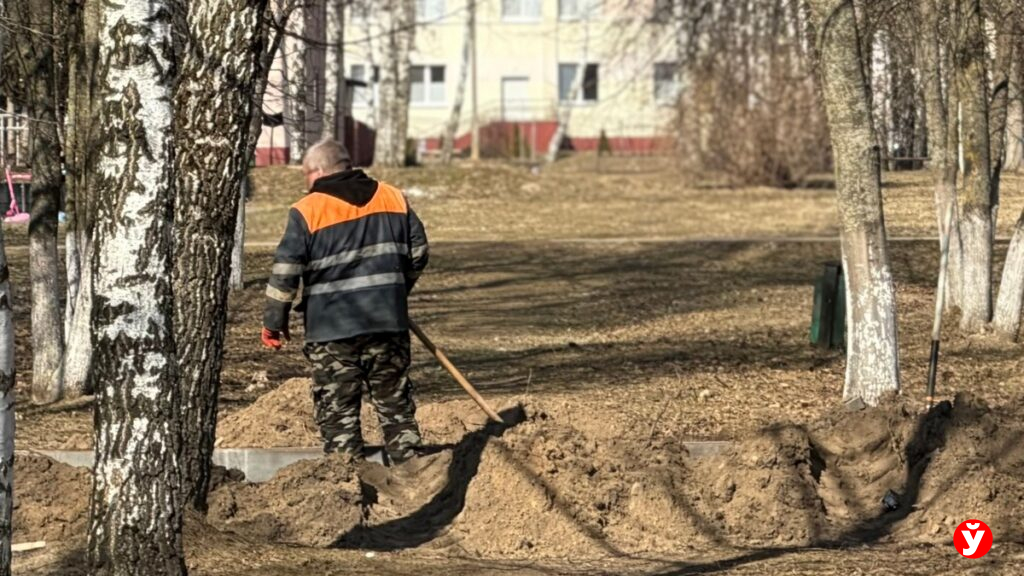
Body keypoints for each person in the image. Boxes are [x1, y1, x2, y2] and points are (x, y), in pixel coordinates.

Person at [261, 138, 429, 464]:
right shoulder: (393, 198)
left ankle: (346, 482)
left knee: (338, 409)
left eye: (305, 175)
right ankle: (414, 474)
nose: (305, 184)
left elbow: (285, 273)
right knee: (394, 402)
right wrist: (394, 292)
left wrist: (273, 321)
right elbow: (419, 254)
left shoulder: (307, 210)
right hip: (387, 323)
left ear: (320, 171)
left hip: (330, 330)